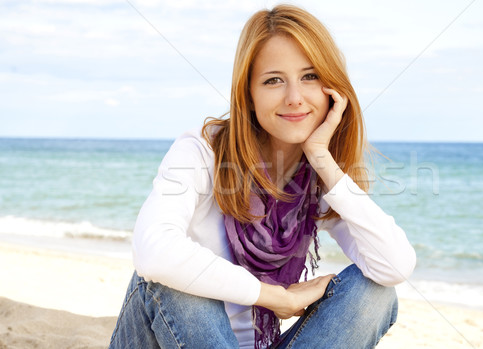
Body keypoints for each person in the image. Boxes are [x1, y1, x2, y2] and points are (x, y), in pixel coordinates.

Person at [109, 4, 416, 349]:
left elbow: (394, 266)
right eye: (274, 80)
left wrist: (323, 161)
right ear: (249, 95)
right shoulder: (201, 151)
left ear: (333, 90)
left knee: (374, 293)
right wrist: (275, 297)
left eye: (310, 76)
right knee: (172, 278)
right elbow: (152, 251)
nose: (295, 98)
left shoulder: (313, 180)